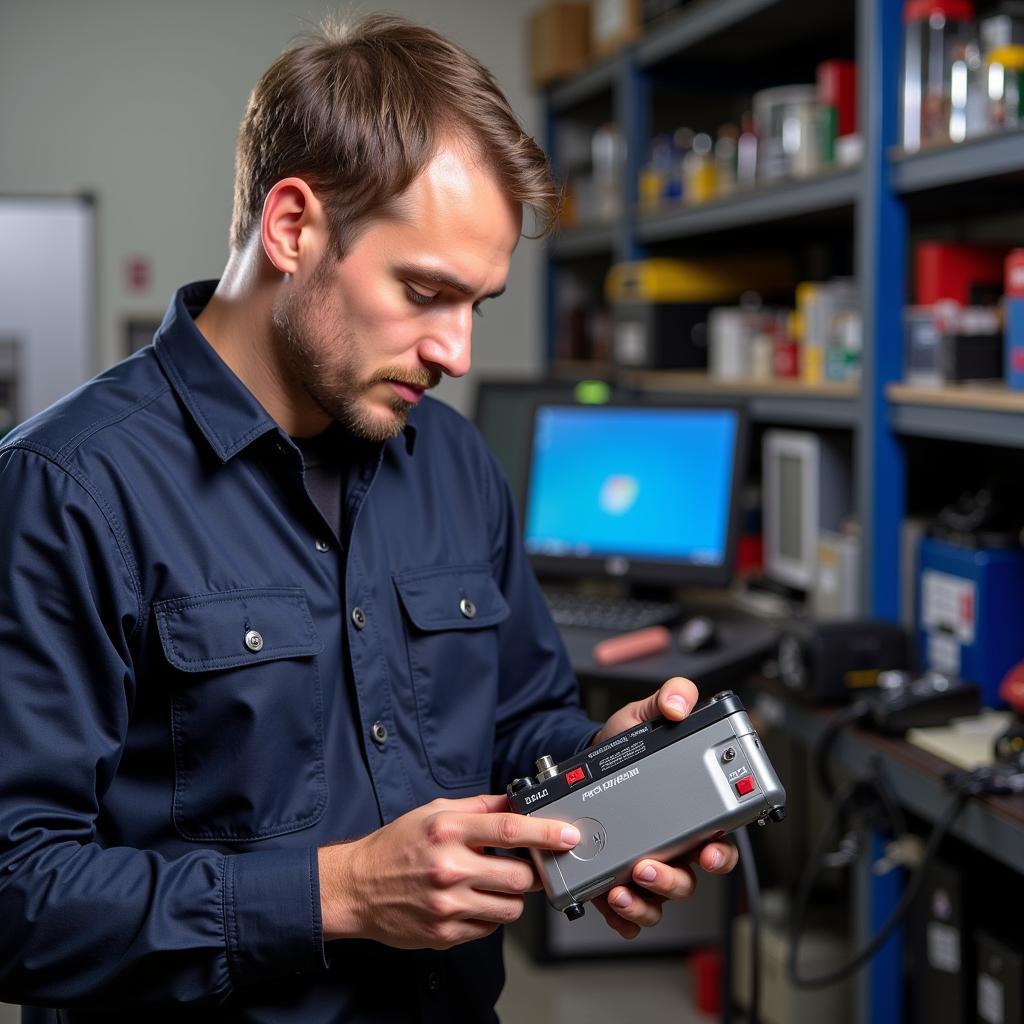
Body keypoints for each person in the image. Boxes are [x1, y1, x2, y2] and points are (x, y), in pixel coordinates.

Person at [0, 14, 738, 1023]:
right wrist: (338, 892)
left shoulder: (453, 461)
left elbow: (521, 717)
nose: (458, 352)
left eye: (477, 303)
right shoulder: (69, 487)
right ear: (293, 226)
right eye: (427, 291)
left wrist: (595, 781)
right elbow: (17, 893)